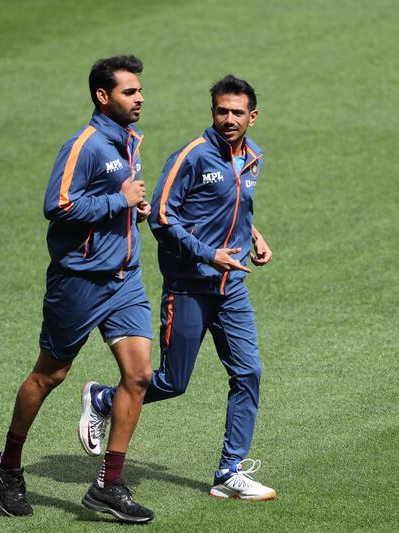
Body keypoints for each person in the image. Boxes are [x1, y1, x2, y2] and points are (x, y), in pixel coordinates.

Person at [78, 74, 276, 501]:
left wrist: (253, 235)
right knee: (172, 381)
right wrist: (209, 255)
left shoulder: (253, 157)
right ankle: (103, 399)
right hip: (188, 287)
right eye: (221, 111)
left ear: (252, 117)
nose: (228, 119)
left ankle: (229, 471)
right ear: (212, 113)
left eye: (237, 112)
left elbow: (231, 205)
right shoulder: (192, 156)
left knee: (248, 373)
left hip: (232, 287)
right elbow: (162, 219)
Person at [0, 55, 155, 524]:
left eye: (140, 90)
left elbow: (115, 201)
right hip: (78, 281)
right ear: (103, 96)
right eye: (129, 91)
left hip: (124, 279)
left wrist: (132, 211)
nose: (139, 97)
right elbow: (57, 205)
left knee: (138, 376)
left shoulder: (129, 140)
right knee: (49, 376)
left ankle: (108, 485)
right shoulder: (83, 144)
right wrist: (117, 200)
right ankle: (9, 466)